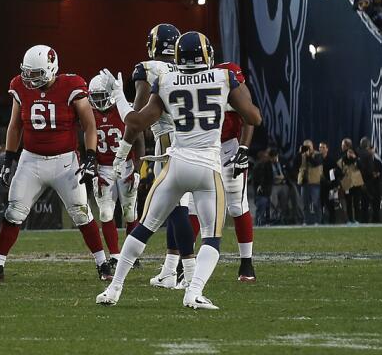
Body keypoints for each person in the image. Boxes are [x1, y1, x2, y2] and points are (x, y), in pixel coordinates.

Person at [97, 30, 263, 311]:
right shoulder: (224, 77)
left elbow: (136, 122)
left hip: (176, 164)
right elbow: (254, 118)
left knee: (144, 229)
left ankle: (114, 289)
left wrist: (119, 97)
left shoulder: (165, 80)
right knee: (212, 237)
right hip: (208, 168)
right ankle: (193, 292)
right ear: (207, 54)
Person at [0, 45, 105, 283]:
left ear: (50, 69)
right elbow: (15, 126)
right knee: (13, 211)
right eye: (27, 73)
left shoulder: (72, 85)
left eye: (35, 74)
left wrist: (90, 156)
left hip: (65, 161)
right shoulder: (19, 86)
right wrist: (9, 159)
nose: (29, 78)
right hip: (31, 159)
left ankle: (102, 264)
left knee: (81, 213)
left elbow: (89, 125)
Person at [129, 23, 194, 287]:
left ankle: (187, 270)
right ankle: (170, 270)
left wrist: (125, 147)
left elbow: (138, 115)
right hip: (192, 142)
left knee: (174, 210)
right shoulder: (189, 69)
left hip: (166, 144)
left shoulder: (149, 68)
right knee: (177, 208)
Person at [90, 70, 141, 260]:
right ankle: (115, 255)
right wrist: (94, 168)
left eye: (101, 96)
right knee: (105, 212)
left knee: (129, 211)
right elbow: (87, 142)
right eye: (94, 97)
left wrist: (137, 165)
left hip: (126, 164)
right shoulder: (90, 114)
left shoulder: (122, 108)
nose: (98, 101)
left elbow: (139, 136)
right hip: (104, 166)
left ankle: (131, 256)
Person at [216, 62, 257, 279]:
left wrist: (243, 148)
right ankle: (181, 263)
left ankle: (246, 263)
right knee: (192, 205)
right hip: (203, 146)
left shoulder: (230, 81)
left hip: (228, 146)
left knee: (237, 205)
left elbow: (250, 116)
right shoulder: (202, 82)